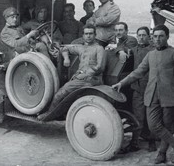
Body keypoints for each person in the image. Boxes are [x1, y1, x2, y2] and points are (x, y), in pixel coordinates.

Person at [112, 25, 174, 164]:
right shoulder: (150, 55)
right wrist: (122, 83)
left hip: (169, 96)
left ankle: (162, 154)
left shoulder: (172, 53)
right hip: (151, 95)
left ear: (167, 37)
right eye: (155, 36)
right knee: (153, 126)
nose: (157, 39)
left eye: (161, 36)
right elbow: (138, 72)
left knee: (168, 126)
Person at [38, 24, 105, 120]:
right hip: (81, 78)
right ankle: (59, 113)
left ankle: (48, 115)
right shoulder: (81, 48)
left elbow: (100, 67)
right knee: (62, 93)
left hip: (92, 79)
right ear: (83, 35)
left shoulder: (99, 48)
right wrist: (66, 58)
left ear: (95, 35)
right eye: (86, 34)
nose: (88, 36)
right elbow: (64, 48)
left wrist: (85, 74)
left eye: (91, 33)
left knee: (60, 93)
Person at [120, 26, 156, 153]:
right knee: (137, 116)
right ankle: (134, 142)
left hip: (151, 89)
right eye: (139, 35)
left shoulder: (154, 50)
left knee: (151, 117)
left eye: (143, 35)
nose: (141, 37)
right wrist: (121, 51)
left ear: (148, 36)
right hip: (137, 88)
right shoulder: (134, 50)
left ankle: (152, 141)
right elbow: (120, 47)